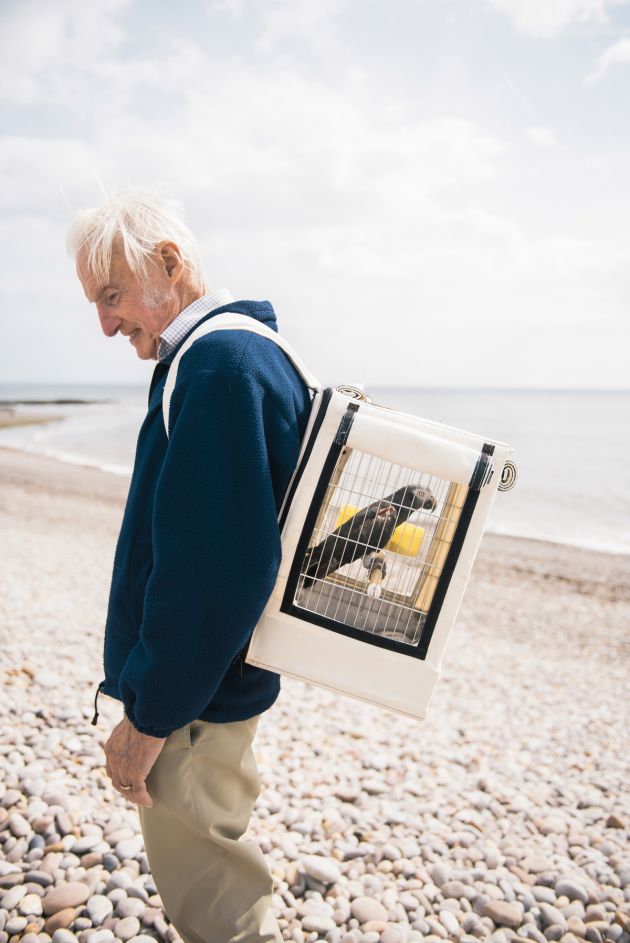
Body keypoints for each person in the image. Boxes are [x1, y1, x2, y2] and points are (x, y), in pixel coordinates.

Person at [66, 189, 313, 943]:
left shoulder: (217, 366)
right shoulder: (237, 352)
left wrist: (151, 716)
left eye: (112, 297)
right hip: (209, 688)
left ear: (169, 265)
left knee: (219, 909)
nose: (106, 325)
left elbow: (216, 570)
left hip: (198, 703)